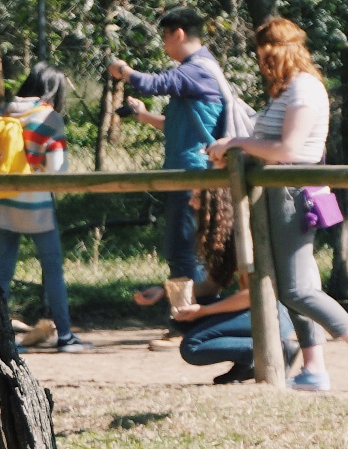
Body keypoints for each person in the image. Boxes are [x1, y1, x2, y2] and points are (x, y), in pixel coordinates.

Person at [208, 17, 348, 392]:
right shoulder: (286, 90)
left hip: (294, 192)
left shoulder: (305, 90)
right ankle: (314, 369)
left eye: (265, 56)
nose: (263, 65)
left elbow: (289, 150)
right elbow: (269, 143)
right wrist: (234, 147)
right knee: (296, 285)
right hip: (278, 192)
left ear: (280, 53)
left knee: (295, 290)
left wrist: (237, 144)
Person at [110, 6, 227, 351]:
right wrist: (146, 117)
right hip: (186, 172)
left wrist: (123, 70)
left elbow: (154, 83)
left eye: (164, 37)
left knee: (185, 252)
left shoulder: (196, 71)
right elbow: (183, 126)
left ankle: (186, 325)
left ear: (177, 33)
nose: (163, 45)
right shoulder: (197, 74)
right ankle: (192, 322)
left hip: (192, 175)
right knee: (186, 250)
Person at [0, 64, 93, 354]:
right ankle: (66, 336)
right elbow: (58, 170)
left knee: (2, 270)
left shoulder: (7, 109)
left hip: (0, 199)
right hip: (35, 203)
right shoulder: (50, 117)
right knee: (53, 267)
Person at [169, 189, 297, 383]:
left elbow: (250, 294)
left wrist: (204, 311)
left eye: (196, 198)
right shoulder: (222, 235)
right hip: (255, 308)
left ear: (212, 204)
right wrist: (164, 291)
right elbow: (212, 286)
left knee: (192, 347)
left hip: (273, 312)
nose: (190, 204)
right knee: (179, 319)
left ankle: (278, 348)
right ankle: (247, 363)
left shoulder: (241, 238)